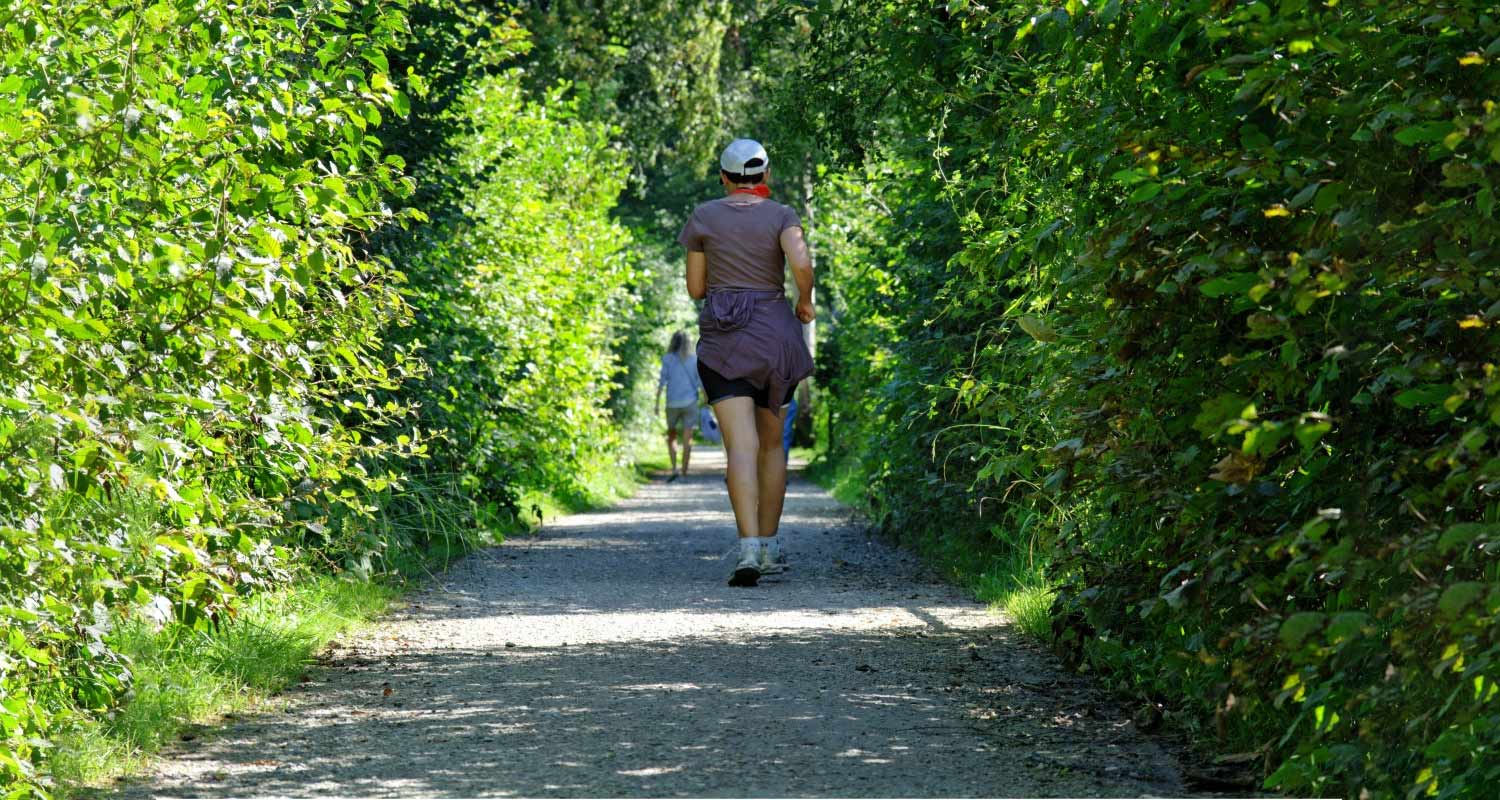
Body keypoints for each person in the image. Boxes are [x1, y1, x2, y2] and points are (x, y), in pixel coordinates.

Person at [679, 138, 815, 587]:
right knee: (772, 446)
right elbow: (800, 260)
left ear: (723, 177)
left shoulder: (704, 216)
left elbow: (696, 289)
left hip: (724, 340)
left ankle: (748, 550)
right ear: (765, 175)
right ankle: (771, 547)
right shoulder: (782, 215)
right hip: (775, 339)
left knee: (740, 448)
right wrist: (805, 300)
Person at [655, 330, 703, 482]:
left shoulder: (667, 359)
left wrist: (656, 403)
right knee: (688, 439)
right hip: (690, 402)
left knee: (672, 436)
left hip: (672, 403)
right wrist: (706, 399)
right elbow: (700, 382)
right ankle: (684, 473)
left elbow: (662, 381)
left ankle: (674, 468)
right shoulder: (694, 359)